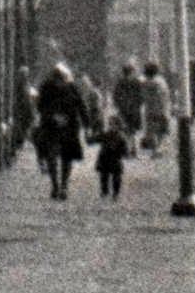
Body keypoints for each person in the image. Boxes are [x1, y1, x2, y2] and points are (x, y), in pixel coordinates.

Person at [37, 62, 89, 200]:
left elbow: (81, 106)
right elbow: (41, 106)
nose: (60, 83)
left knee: (67, 157)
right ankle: (55, 185)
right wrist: (53, 116)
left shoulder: (72, 88)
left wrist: (87, 123)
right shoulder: (47, 88)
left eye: (62, 79)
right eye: (57, 79)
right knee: (52, 156)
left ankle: (63, 185)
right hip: (52, 126)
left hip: (69, 126)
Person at [113, 61, 143, 156]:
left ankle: (128, 150)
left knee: (126, 130)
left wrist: (118, 106)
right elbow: (141, 96)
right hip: (134, 110)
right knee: (133, 131)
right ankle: (134, 150)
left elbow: (116, 96)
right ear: (132, 71)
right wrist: (138, 104)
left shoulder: (119, 82)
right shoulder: (137, 82)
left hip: (123, 109)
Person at [95, 114, 129, 199]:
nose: (112, 126)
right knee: (103, 177)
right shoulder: (105, 135)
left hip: (115, 159)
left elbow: (125, 150)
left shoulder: (121, 137)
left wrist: (122, 152)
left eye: (114, 124)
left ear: (118, 126)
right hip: (104, 159)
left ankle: (115, 193)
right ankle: (104, 191)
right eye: (110, 124)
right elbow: (94, 139)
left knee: (116, 178)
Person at [142, 61, 171, 157]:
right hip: (162, 109)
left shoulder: (146, 83)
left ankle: (156, 150)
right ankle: (159, 148)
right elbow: (165, 96)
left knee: (153, 130)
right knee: (161, 131)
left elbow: (144, 96)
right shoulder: (161, 82)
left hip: (150, 109)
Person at [80, 74, 105, 142]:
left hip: (96, 109)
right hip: (95, 109)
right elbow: (93, 101)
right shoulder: (95, 91)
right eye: (101, 84)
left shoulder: (95, 91)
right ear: (98, 84)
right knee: (96, 123)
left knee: (96, 124)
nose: (102, 85)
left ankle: (94, 137)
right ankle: (92, 138)